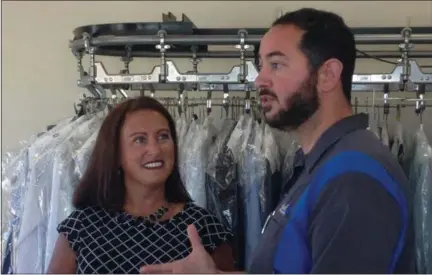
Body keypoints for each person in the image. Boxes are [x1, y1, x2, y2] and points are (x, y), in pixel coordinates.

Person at [139, 8, 415, 274]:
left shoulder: (353, 178)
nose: (259, 79)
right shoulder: (318, 164)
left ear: (328, 75)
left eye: (276, 64)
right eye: (261, 65)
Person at [47, 96, 235, 274]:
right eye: (139, 140)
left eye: (163, 137)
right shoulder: (81, 227)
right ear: (116, 153)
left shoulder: (204, 227)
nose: (154, 149)